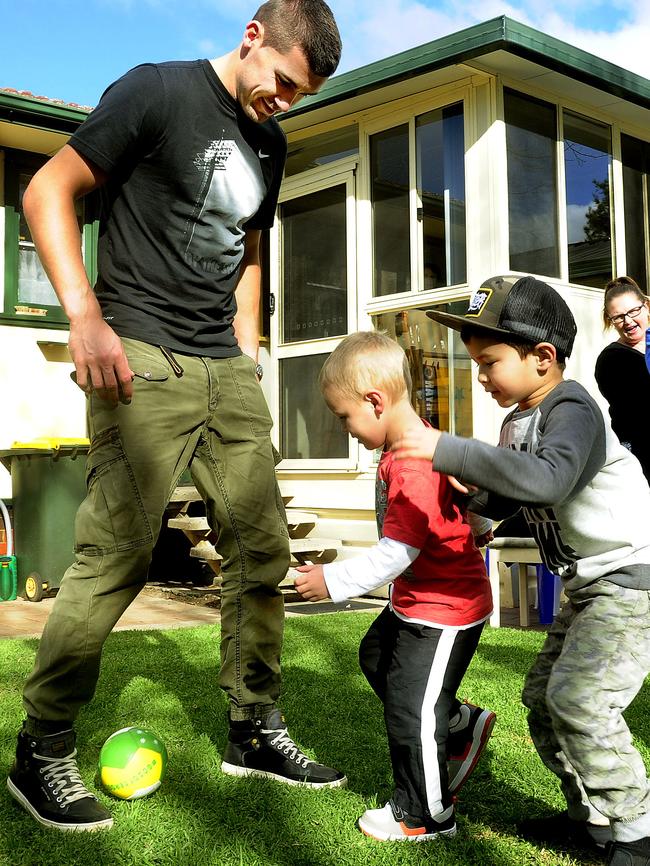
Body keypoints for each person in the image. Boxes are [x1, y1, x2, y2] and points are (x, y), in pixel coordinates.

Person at [7, 0, 345, 833]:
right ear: (253, 37)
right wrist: (83, 316)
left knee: (262, 547)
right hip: (140, 353)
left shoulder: (270, 141)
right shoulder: (157, 92)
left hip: (223, 365)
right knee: (116, 556)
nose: (285, 101)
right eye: (284, 83)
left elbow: (251, 241)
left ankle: (253, 726)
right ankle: (41, 747)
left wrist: (251, 338)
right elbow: (49, 186)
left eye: (301, 95)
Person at [392, 275, 650, 866]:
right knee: (543, 699)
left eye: (489, 363)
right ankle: (592, 819)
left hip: (632, 579)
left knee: (582, 699)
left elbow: (550, 480)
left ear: (541, 358)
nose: (480, 376)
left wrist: (446, 448)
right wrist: (469, 511)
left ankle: (638, 830)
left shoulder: (572, 407)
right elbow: (509, 496)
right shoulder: (517, 423)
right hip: (589, 588)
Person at [294, 331, 496, 842]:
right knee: (375, 656)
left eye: (344, 417)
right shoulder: (413, 442)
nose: (345, 428)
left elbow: (398, 552)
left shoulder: (411, 464)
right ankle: (457, 724)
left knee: (409, 711)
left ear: (375, 401)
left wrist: (332, 581)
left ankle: (425, 815)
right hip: (416, 601)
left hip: (443, 610)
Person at [594, 275, 650, 483]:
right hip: (640, 456)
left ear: (646, 306)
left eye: (633, 311)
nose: (627, 321)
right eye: (618, 317)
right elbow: (640, 412)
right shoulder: (613, 360)